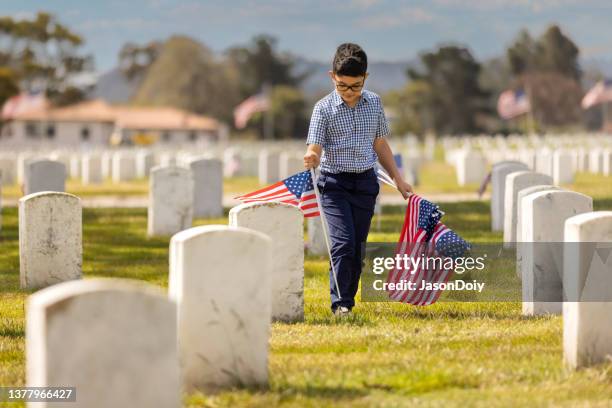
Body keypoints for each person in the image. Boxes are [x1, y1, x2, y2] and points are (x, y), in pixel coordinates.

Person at [303, 43, 413, 316]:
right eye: (342, 86)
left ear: (365, 78)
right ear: (332, 77)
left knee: (356, 250)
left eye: (355, 86)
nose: (349, 93)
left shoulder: (374, 103)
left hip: (365, 183)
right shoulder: (323, 108)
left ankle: (346, 298)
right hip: (334, 184)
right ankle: (341, 304)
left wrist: (399, 180)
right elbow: (314, 146)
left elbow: (380, 144)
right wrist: (311, 156)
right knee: (342, 243)